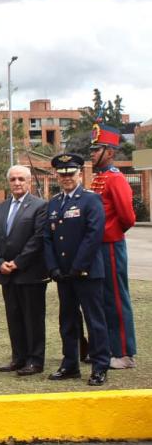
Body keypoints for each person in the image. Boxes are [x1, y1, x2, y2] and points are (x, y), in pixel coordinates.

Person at [44, 153, 110, 386]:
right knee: (68, 321)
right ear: (57, 176)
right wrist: (53, 267)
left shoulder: (90, 200)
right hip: (63, 275)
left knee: (95, 321)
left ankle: (100, 366)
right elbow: (48, 239)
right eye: (62, 174)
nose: (66, 178)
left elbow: (93, 237)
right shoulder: (53, 203)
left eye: (70, 173)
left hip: (86, 273)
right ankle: (70, 363)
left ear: (80, 174)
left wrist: (77, 267)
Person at [0, 165, 49, 376]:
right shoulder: (1, 208)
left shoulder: (40, 206)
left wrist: (18, 262)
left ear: (29, 181)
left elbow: (38, 238)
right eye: (13, 179)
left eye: (21, 179)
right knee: (14, 318)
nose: (17, 183)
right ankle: (18, 357)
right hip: (7, 274)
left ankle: (35, 360)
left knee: (33, 318)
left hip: (30, 273)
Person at [89, 123, 137, 369]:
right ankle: (108, 348)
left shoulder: (116, 179)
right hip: (98, 247)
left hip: (110, 246)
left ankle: (124, 353)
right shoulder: (100, 177)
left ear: (109, 151)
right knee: (102, 298)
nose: (92, 154)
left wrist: (111, 233)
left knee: (116, 297)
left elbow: (128, 217)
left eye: (97, 149)